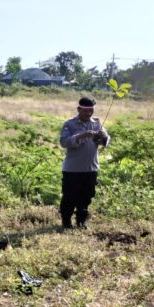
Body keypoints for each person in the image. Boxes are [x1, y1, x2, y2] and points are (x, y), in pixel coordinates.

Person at [59, 96, 109, 229]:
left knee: (86, 197)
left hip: (91, 168)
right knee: (69, 197)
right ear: (79, 109)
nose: (88, 114)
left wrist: (104, 137)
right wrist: (82, 136)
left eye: (91, 111)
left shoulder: (97, 122)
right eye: (86, 111)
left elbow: (105, 142)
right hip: (73, 169)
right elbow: (64, 142)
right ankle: (66, 222)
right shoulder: (69, 124)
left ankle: (82, 222)